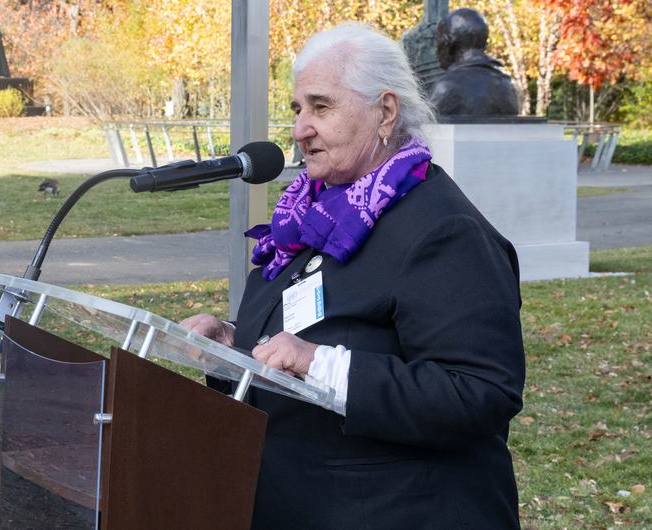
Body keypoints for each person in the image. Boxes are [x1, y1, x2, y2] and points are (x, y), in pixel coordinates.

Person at [181, 23, 525, 528]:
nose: (300, 128)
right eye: (298, 109)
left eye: (321, 107)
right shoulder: (308, 216)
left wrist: (321, 365)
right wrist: (232, 346)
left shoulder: (444, 231)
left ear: (385, 112)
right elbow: (318, 330)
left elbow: (479, 393)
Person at [429, 8, 519, 117]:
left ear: (448, 42)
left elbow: (426, 130)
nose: (437, 47)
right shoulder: (508, 85)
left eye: (439, 40)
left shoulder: (446, 87)